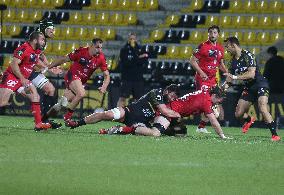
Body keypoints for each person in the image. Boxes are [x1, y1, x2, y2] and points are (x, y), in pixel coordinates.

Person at [223, 36, 281, 141]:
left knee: (262, 108)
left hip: (260, 84)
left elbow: (251, 74)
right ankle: (249, 120)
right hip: (249, 87)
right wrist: (223, 88)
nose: (226, 49)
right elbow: (229, 80)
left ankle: (275, 135)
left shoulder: (248, 55)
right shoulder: (231, 62)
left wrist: (235, 77)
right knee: (238, 114)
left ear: (233, 45)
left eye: (227, 47)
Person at [41, 38, 110, 125]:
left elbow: (107, 75)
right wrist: (49, 67)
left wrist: (104, 87)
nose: (99, 50)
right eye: (97, 47)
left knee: (62, 104)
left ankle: (43, 119)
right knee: (81, 93)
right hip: (72, 76)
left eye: (101, 48)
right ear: (91, 45)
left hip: (80, 81)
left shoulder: (101, 57)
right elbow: (64, 59)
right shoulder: (81, 52)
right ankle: (67, 118)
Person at [68, 84, 181, 137]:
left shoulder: (167, 102)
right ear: (167, 91)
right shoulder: (157, 92)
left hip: (140, 122)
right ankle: (77, 123)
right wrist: (178, 114)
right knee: (106, 114)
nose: (173, 99)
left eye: (175, 98)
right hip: (128, 112)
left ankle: (120, 130)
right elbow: (165, 111)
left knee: (149, 133)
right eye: (173, 96)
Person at [0, 31, 51, 131]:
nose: (44, 42)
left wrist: (49, 68)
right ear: (35, 40)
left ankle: (38, 124)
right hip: (12, 77)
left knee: (35, 96)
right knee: (2, 102)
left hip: (22, 81)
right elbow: (14, 64)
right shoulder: (24, 48)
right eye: (42, 40)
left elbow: (33, 62)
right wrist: (22, 78)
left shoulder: (36, 51)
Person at [189, 25, 228, 134]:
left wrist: (227, 73)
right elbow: (192, 61)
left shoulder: (220, 48)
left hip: (212, 79)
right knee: (205, 102)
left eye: (215, 32)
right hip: (202, 79)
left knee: (213, 104)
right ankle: (186, 114)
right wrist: (201, 73)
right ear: (208, 34)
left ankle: (201, 127)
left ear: (218, 34)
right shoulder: (202, 46)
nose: (212, 34)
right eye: (210, 32)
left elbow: (220, 64)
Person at [28, 19, 62, 128]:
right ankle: (41, 120)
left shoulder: (42, 39)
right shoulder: (37, 38)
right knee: (4, 98)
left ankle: (45, 120)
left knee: (50, 89)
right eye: (50, 30)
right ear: (44, 29)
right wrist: (48, 68)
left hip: (31, 71)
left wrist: (50, 66)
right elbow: (33, 58)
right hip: (23, 71)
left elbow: (41, 55)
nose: (52, 32)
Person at [116, 32, 148, 107]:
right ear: (128, 39)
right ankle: (118, 114)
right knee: (122, 97)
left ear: (136, 39)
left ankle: (135, 115)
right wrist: (138, 58)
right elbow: (126, 62)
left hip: (138, 78)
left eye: (134, 38)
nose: (132, 40)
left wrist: (136, 59)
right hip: (127, 77)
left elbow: (144, 60)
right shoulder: (124, 50)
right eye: (131, 39)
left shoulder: (140, 49)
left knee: (137, 99)